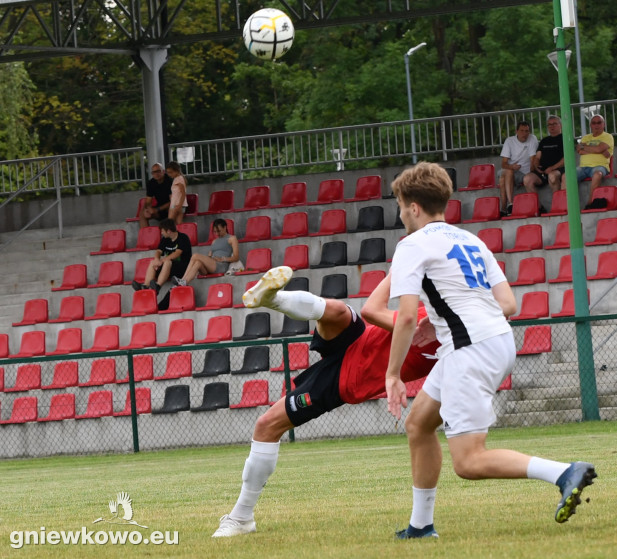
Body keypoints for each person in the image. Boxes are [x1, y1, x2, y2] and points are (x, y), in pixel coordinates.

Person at [385, 162, 596, 539]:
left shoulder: (411, 245)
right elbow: (508, 304)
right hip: (491, 340)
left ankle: (565, 472)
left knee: (468, 461)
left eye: (401, 205)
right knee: (419, 424)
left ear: (413, 207)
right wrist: (446, 322)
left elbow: (402, 319)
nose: (400, 213)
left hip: (470, 349)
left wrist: (392, 374)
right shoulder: (470, 240)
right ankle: (420, 526)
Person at [212, 266, 441, 537]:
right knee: (339, 311)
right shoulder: (439, 316)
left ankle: (241, 517)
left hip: (347, 378)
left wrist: (403, 267)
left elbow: (382, 314)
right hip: (359, 336)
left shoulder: (450, 340)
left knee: (266, 426)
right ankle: (272, 299)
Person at [132, 219, 192, 292]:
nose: (161, 233)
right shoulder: (165, 239)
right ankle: (145, 286)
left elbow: (177, 253)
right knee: (153, 262)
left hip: (182, 268)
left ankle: (158, 286)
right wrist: (157, 259)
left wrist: (162, 261)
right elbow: (158, 251)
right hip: (169, 269)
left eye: (162, 231)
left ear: (169, 231)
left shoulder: (183, 237)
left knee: (167, 262)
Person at [175, 218, 240, 286]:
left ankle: (182, 279)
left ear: (225, 227)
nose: (217, 233)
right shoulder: (214, 241)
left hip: (221, 265)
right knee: (198, 263)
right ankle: (185, 282)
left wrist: (223, 259)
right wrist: (209, 259)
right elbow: (209, 256)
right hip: (211, 264)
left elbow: (236, 257)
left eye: (219, 231)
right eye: (215, 232)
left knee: (195, 255)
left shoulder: (232, 238)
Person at [498, 121, 539, 216]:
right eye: (522, 131)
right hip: (511, 170)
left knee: (502, 179)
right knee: (507, 172)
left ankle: (505, 207)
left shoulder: (532, 138)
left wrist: (532, 173)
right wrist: (511, 167)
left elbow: (533, 160)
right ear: (516, 131)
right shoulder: (509, 141)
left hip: (524, 173)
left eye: (527, 131)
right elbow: (503, 164)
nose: (524, 134)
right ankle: (510, 204)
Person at [576, 114, 614, 208]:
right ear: (590, 125)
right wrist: (599, 150)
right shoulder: (586, 137)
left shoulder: (608, 137)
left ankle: (590, 203)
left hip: (600, 166)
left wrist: (586, 147)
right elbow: (579, 150)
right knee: (567, 176)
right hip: (583, 167)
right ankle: (570, 205)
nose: (596, 125)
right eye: (594, 123)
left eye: (599, 122)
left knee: (597, 175)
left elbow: (596, 149)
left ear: (604, 124)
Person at [524, 115, 566, 200]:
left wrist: (552, 168)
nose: (552, 126)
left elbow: (566, 159)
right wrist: (536, 166)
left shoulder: (565, 139)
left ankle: (557, 204)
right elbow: (537, 157)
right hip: (543, 171)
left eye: (554, 124)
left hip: (559, 169)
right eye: (549, 125)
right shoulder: (544, 141)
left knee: (552, 176)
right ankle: (538, 207)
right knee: (527, 179)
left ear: (560, 125)